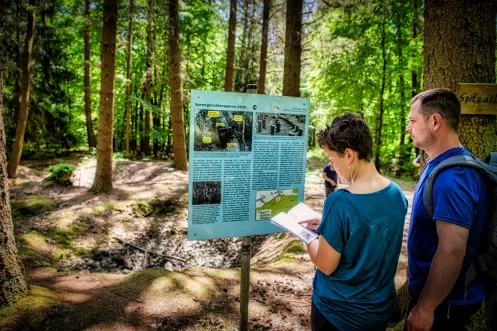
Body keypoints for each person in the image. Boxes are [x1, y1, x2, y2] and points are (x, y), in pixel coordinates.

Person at [300, 112, 408, 330]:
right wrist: (326, 222)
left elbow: (326, 264)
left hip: (337, 312)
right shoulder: (396, 194)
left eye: (332, 160)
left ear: (348, 154)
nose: (333, 167)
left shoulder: (340, 202)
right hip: (378, 310)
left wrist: (306, 235)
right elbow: (369, 228)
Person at [405, 88, 488, 330]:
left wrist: (426, 308)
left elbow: (452, 250)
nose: (409, 128)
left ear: (435, 121)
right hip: (437, 297)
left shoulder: (454, 178)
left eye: (412, 121)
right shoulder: (437, 164)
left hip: (446, 304)